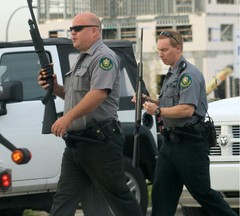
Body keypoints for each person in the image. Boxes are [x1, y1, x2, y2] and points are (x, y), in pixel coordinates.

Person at [38, 12, 143, 216]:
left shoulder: (104, 58)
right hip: (77, 144)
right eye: (71, 29)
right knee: (63, 200)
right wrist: (53, 86)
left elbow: (97, 95)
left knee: (119, 196)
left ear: (94, 31)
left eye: (77, 29)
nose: (72, 33)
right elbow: (72, 95)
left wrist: (67, 118)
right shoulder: (81, 59)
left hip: (100, 143)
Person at [134, 31, 237, 216]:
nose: (161, 54)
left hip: (190, 145)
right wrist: (147, 100)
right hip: (170, 144)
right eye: (159, 50)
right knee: (161, 194)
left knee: (202, 193)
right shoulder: (172, 74)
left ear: (178, 49)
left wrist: (157, 111)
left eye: (165, 50)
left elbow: (186, 109)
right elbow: (167, 104)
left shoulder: (188, 75)